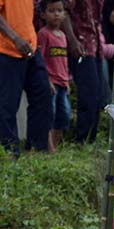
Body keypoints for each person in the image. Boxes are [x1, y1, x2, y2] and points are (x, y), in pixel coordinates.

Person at [0, 0, 51, 155]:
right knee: (7, 105)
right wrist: (15, 38)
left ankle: (37, 150)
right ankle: (10, 153)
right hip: (6, 50)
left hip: (30, 47)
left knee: (43, 93)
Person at [63, 0, 105, 143]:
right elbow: (65, 12)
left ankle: (90, 138)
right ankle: (83, 139)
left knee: (96, 95)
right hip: (81, 45)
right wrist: (72, 40)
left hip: (95, 46)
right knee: (89, 94)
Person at [37, 0, 70, 151]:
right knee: (50, 114)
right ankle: (49, 148)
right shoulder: (43, 34)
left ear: (64, 14)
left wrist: (67, 81)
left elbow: (64, 61)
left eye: (59, 10)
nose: (56, 14)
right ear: (43, 14)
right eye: (51, 11)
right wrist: (47, 80)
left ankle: (55, 146)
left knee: (64, 116)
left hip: (63, 82)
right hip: (51, 82)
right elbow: (41, 59)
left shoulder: (63, 35)